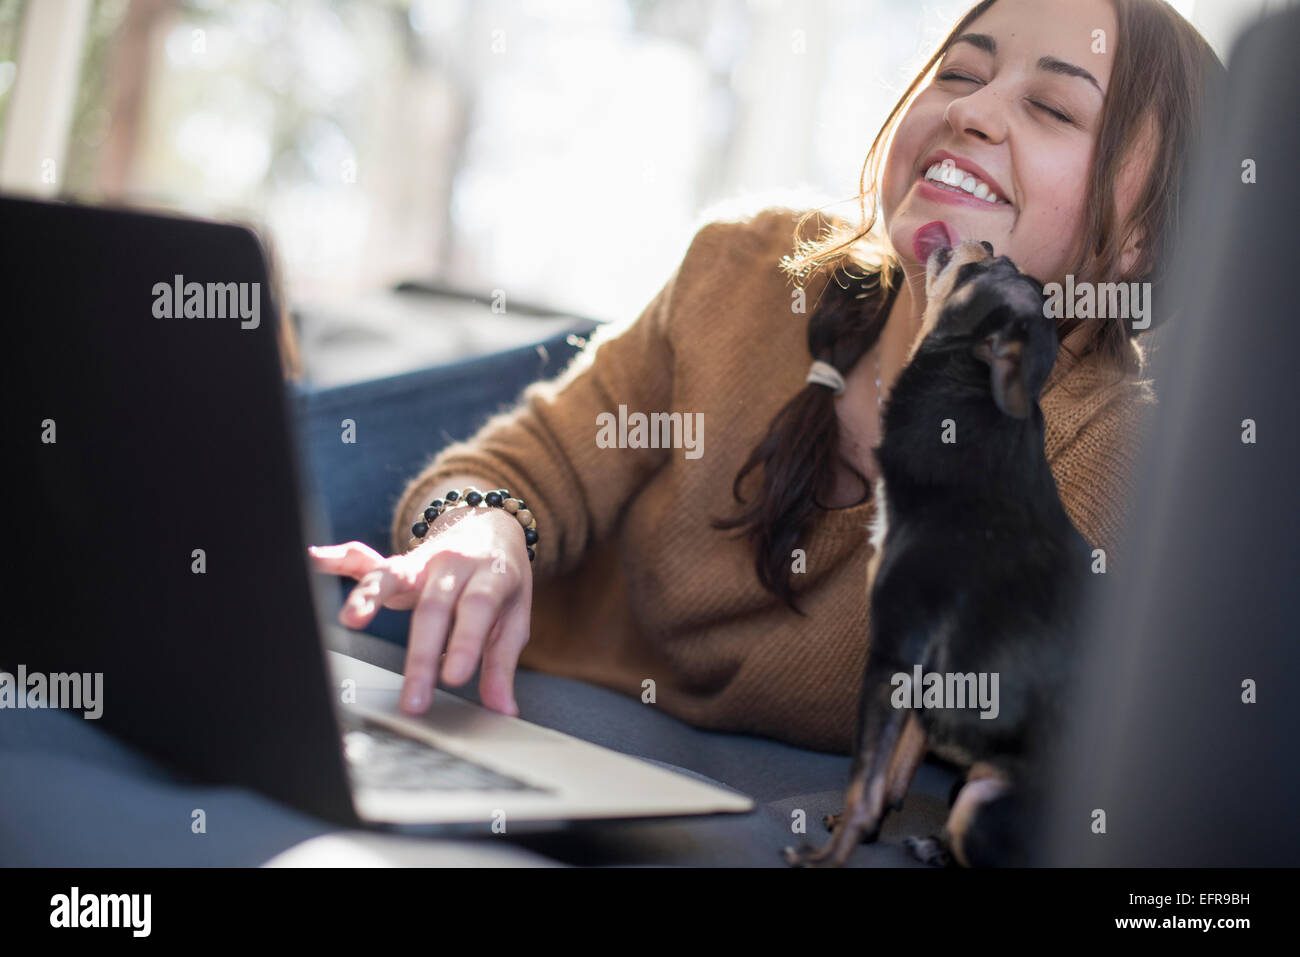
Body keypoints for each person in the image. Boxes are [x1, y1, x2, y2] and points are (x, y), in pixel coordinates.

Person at [309, 0, 1222, 756]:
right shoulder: (747, 269)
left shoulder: (1113, 454)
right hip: (519, 697)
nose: (971, 113)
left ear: (1145, 230)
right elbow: (521, 464)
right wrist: (479, 531)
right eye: (960, 72)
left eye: (1054, 110)